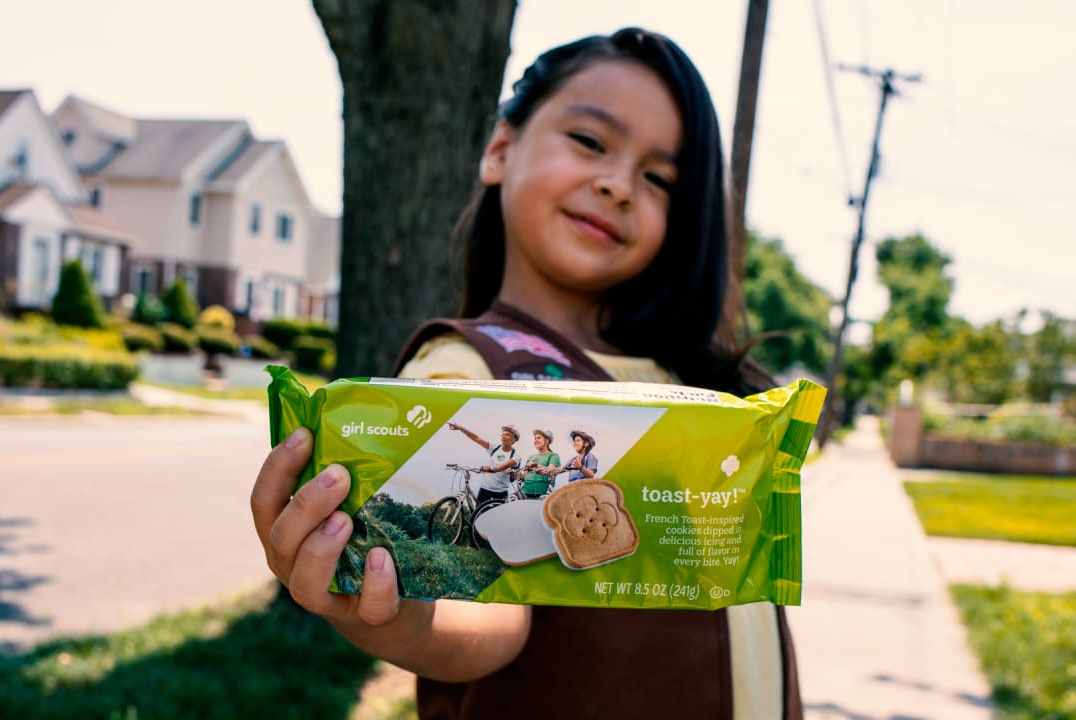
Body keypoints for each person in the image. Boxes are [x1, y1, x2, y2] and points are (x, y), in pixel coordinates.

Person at [250, 28, 800, 719]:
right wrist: (398, 617)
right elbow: (483, 613)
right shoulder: (465, 374)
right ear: (500, 148)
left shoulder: (679, 379)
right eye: (591, 142)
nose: (618, 185)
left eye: (659, 178)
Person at [447, 422, 520, 504]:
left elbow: (504, 466)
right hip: (484, 489)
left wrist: (492, 469)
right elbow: (477, 438)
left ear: (514, 439)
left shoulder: (515, 455)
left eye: (507, 435)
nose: (504, 436)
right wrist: (461, 428)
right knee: (478, 514)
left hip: (500, 492)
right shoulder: (495, 448)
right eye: (502, 434)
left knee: (497, 516)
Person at [519, 429, 561, 497]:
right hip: (525, 493)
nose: (536, 440)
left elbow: (551, 471)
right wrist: (514, 474)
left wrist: (536, 465)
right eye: (535, 438)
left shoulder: (553, 456)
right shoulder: (531, 457)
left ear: (547, 441)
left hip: (542, 494)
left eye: (539, 438)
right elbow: (523, 476)